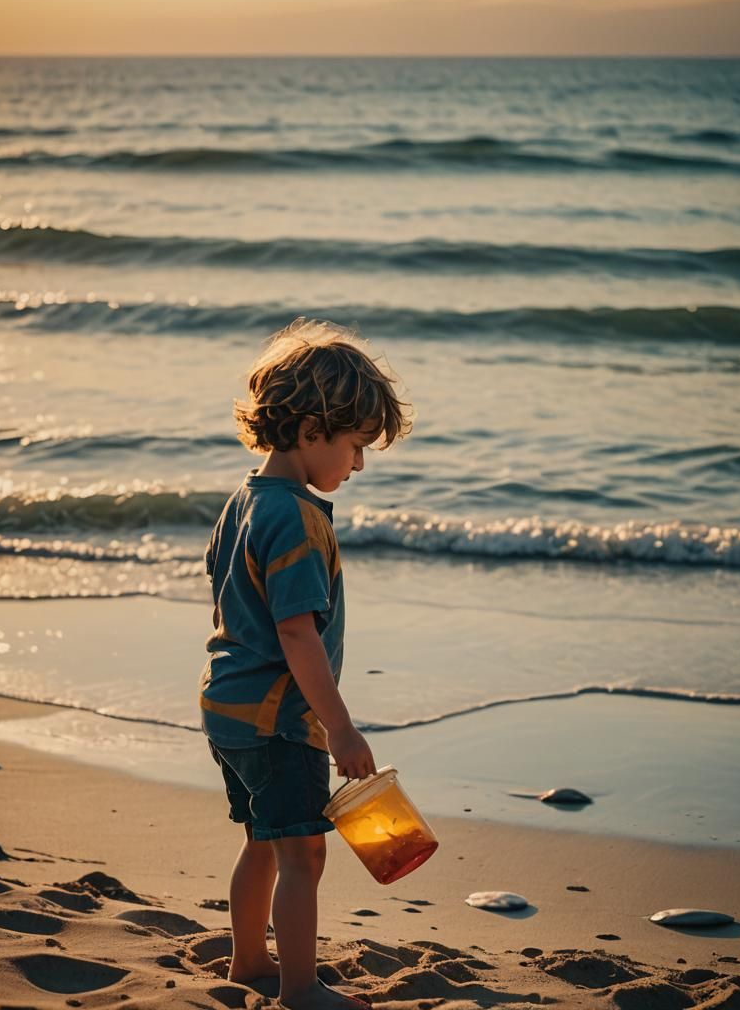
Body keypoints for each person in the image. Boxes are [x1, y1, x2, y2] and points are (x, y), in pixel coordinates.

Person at [199, 318, 412, 1010]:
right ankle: (296, 989)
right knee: (303, 854)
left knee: (262, 842)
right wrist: (341, 731)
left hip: (227, 710)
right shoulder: (296, 517)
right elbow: (296, 635)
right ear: (314, 427)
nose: (357, 465)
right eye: (354, 446)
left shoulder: (244, 502)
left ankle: (250, 961)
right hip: (277, 721)